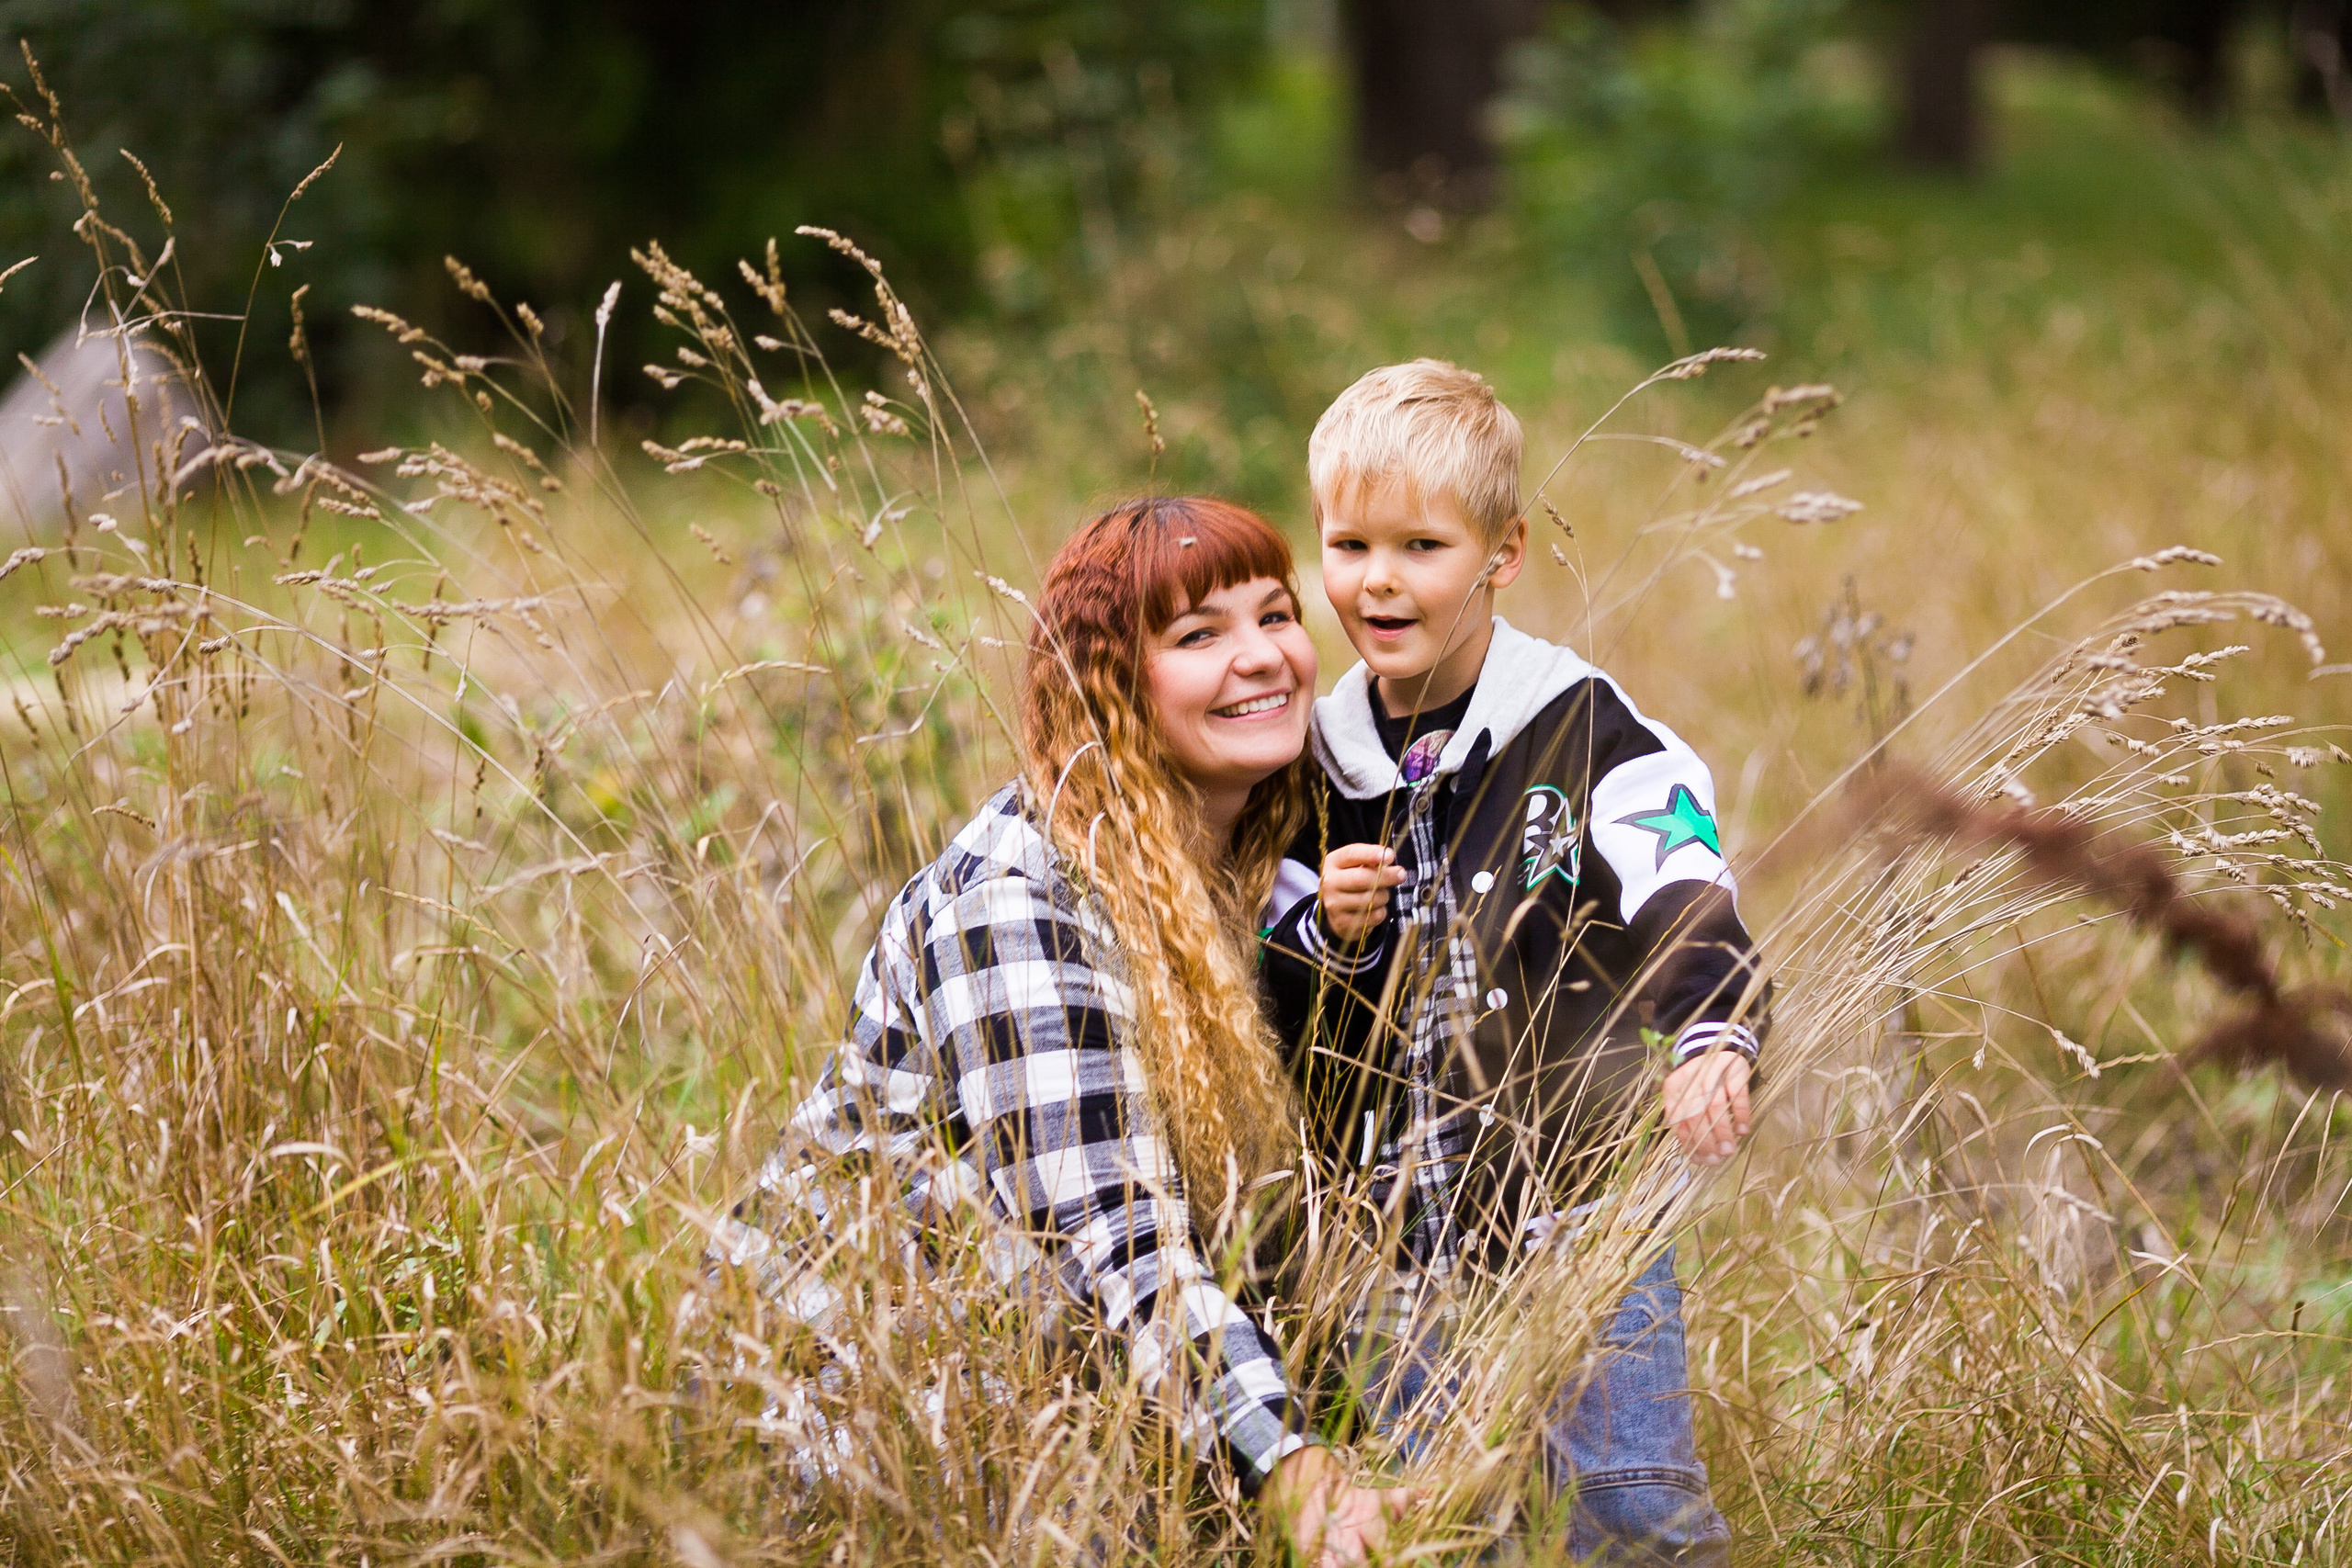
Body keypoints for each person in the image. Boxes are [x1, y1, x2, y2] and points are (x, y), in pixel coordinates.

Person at [717, 498, 1408, 1564]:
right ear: (1111, 689)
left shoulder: (1262, 858)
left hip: (1060, 1390)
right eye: (1197, 637)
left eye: (1276, 617)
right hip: (856, 1422)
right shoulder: (1018, 899)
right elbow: (1111, 1233)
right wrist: (1291, 1465)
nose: (1263, 658)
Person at [1260, 360, 1770, 1564]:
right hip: (1388, 1239)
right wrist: (1327, 934)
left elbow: (1683, 885)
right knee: (1446, 1517)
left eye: (1421, 544)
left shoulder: (1585, 726)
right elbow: (1267, 980)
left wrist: (1715, 1031)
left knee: (1628, 1507)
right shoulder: (1316, 763)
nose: (1377, 579)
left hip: (1579, 1218)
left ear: (1504, 552)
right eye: (1348, 544)